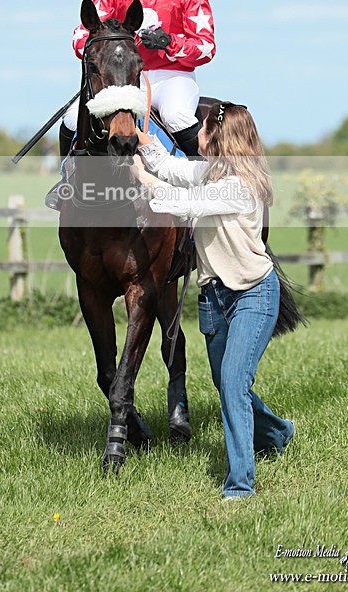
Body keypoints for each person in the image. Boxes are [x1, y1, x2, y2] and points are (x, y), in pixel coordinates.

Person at [131, 102, 295, 499]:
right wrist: (143, 142)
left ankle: (240, 487)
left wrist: (144, 180)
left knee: (234, 384)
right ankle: (278, 432)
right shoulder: (212, 172)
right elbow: (175, 169)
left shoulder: (241, 186)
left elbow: (185, 202)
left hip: (253, 295)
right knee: (226, 384)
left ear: (217, 137)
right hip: (214, 298)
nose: (195, 136)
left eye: (201, 129)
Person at [45, 0, 216, 209]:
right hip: (122, 77)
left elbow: (206, 47)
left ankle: (207, 186)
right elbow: (80, 35)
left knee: (176, 115)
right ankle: (65, 180)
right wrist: (102, 50)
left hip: (171, 75)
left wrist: (169, 43)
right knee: (72, 117)